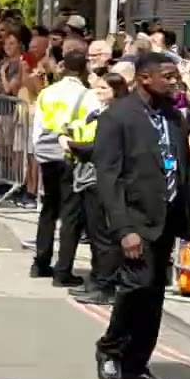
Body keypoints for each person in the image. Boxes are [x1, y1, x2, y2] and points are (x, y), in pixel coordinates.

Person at [93, 52, 190, 379]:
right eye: (168, 76)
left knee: (154, 294)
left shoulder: (173, 117)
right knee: (135, 287)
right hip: (134, 220)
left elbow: (186, 172)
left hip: (166, 221)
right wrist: (124, 229)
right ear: (144, 78)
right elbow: (108, 177)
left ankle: (136, 364)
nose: (175, 82)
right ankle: (110, 350)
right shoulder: (117, 116)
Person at [30, 50, 99, 287]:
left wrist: (36, 153)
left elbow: (37, 126)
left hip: (47, 153)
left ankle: (40, 262)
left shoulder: (47, 93)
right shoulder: (88, 95)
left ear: (63, 67)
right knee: (71, 214)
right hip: (71, 154)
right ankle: (63, 271)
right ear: (84, 69)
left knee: (49, 207)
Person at [61, 71, 130, 306]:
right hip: (89, 179)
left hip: (104, 181)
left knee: (104, 238)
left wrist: (68, 144)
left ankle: (105, 285)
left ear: (117, 91)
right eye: (97, 88)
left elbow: (96, 148)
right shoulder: (98, 113)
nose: (98, 93)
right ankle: (96, 279)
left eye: (104, 89)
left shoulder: (115, 116)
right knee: (94, 234)